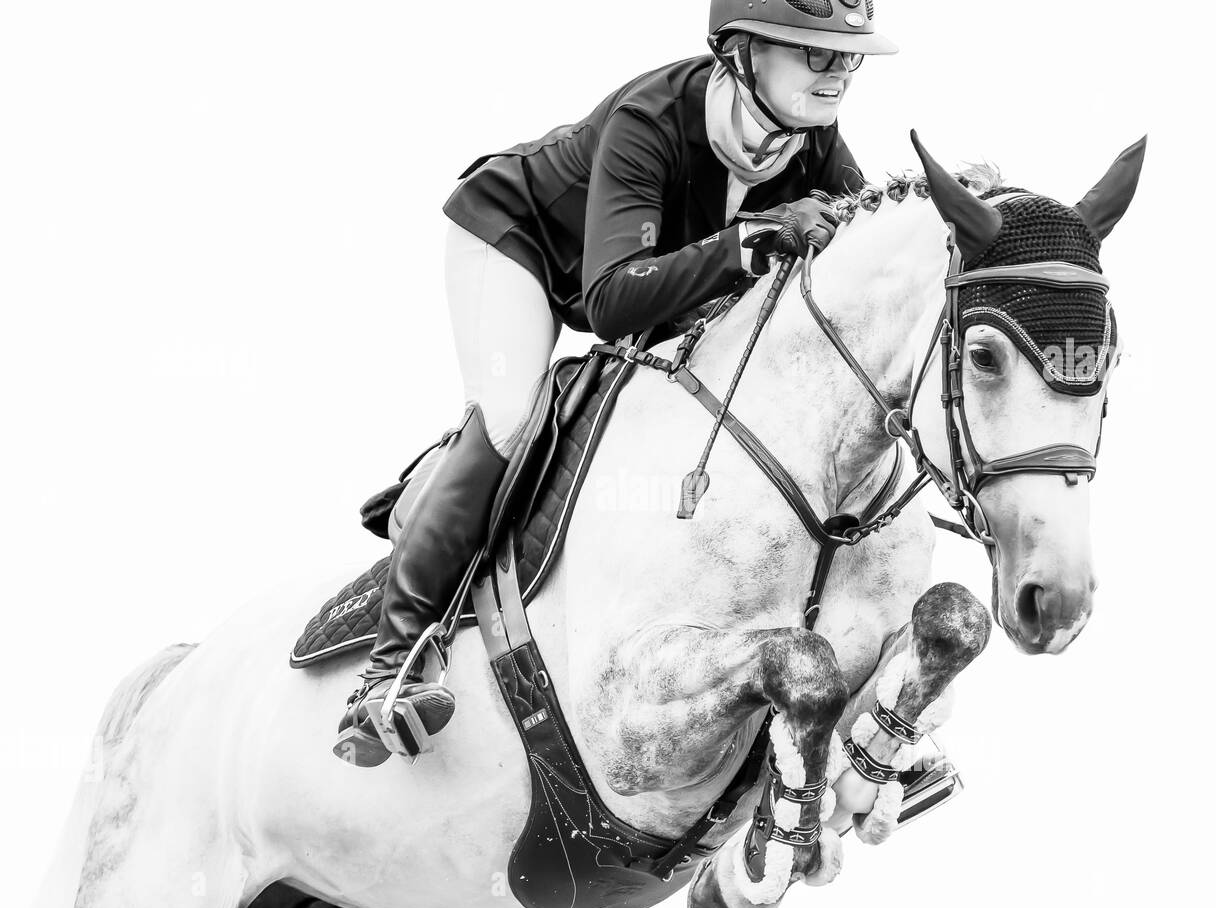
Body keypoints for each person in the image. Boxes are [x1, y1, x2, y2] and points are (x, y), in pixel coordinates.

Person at [339, 0, 898, 762]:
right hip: (516, 244)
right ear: (739, 53)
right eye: (815, 53)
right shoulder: (653, 119)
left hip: (632, 282)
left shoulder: (816, 147)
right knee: (510, 415)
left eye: (847, 56)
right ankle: (387, 673)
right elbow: (610, 301)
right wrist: (752, 241)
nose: (838, 72)